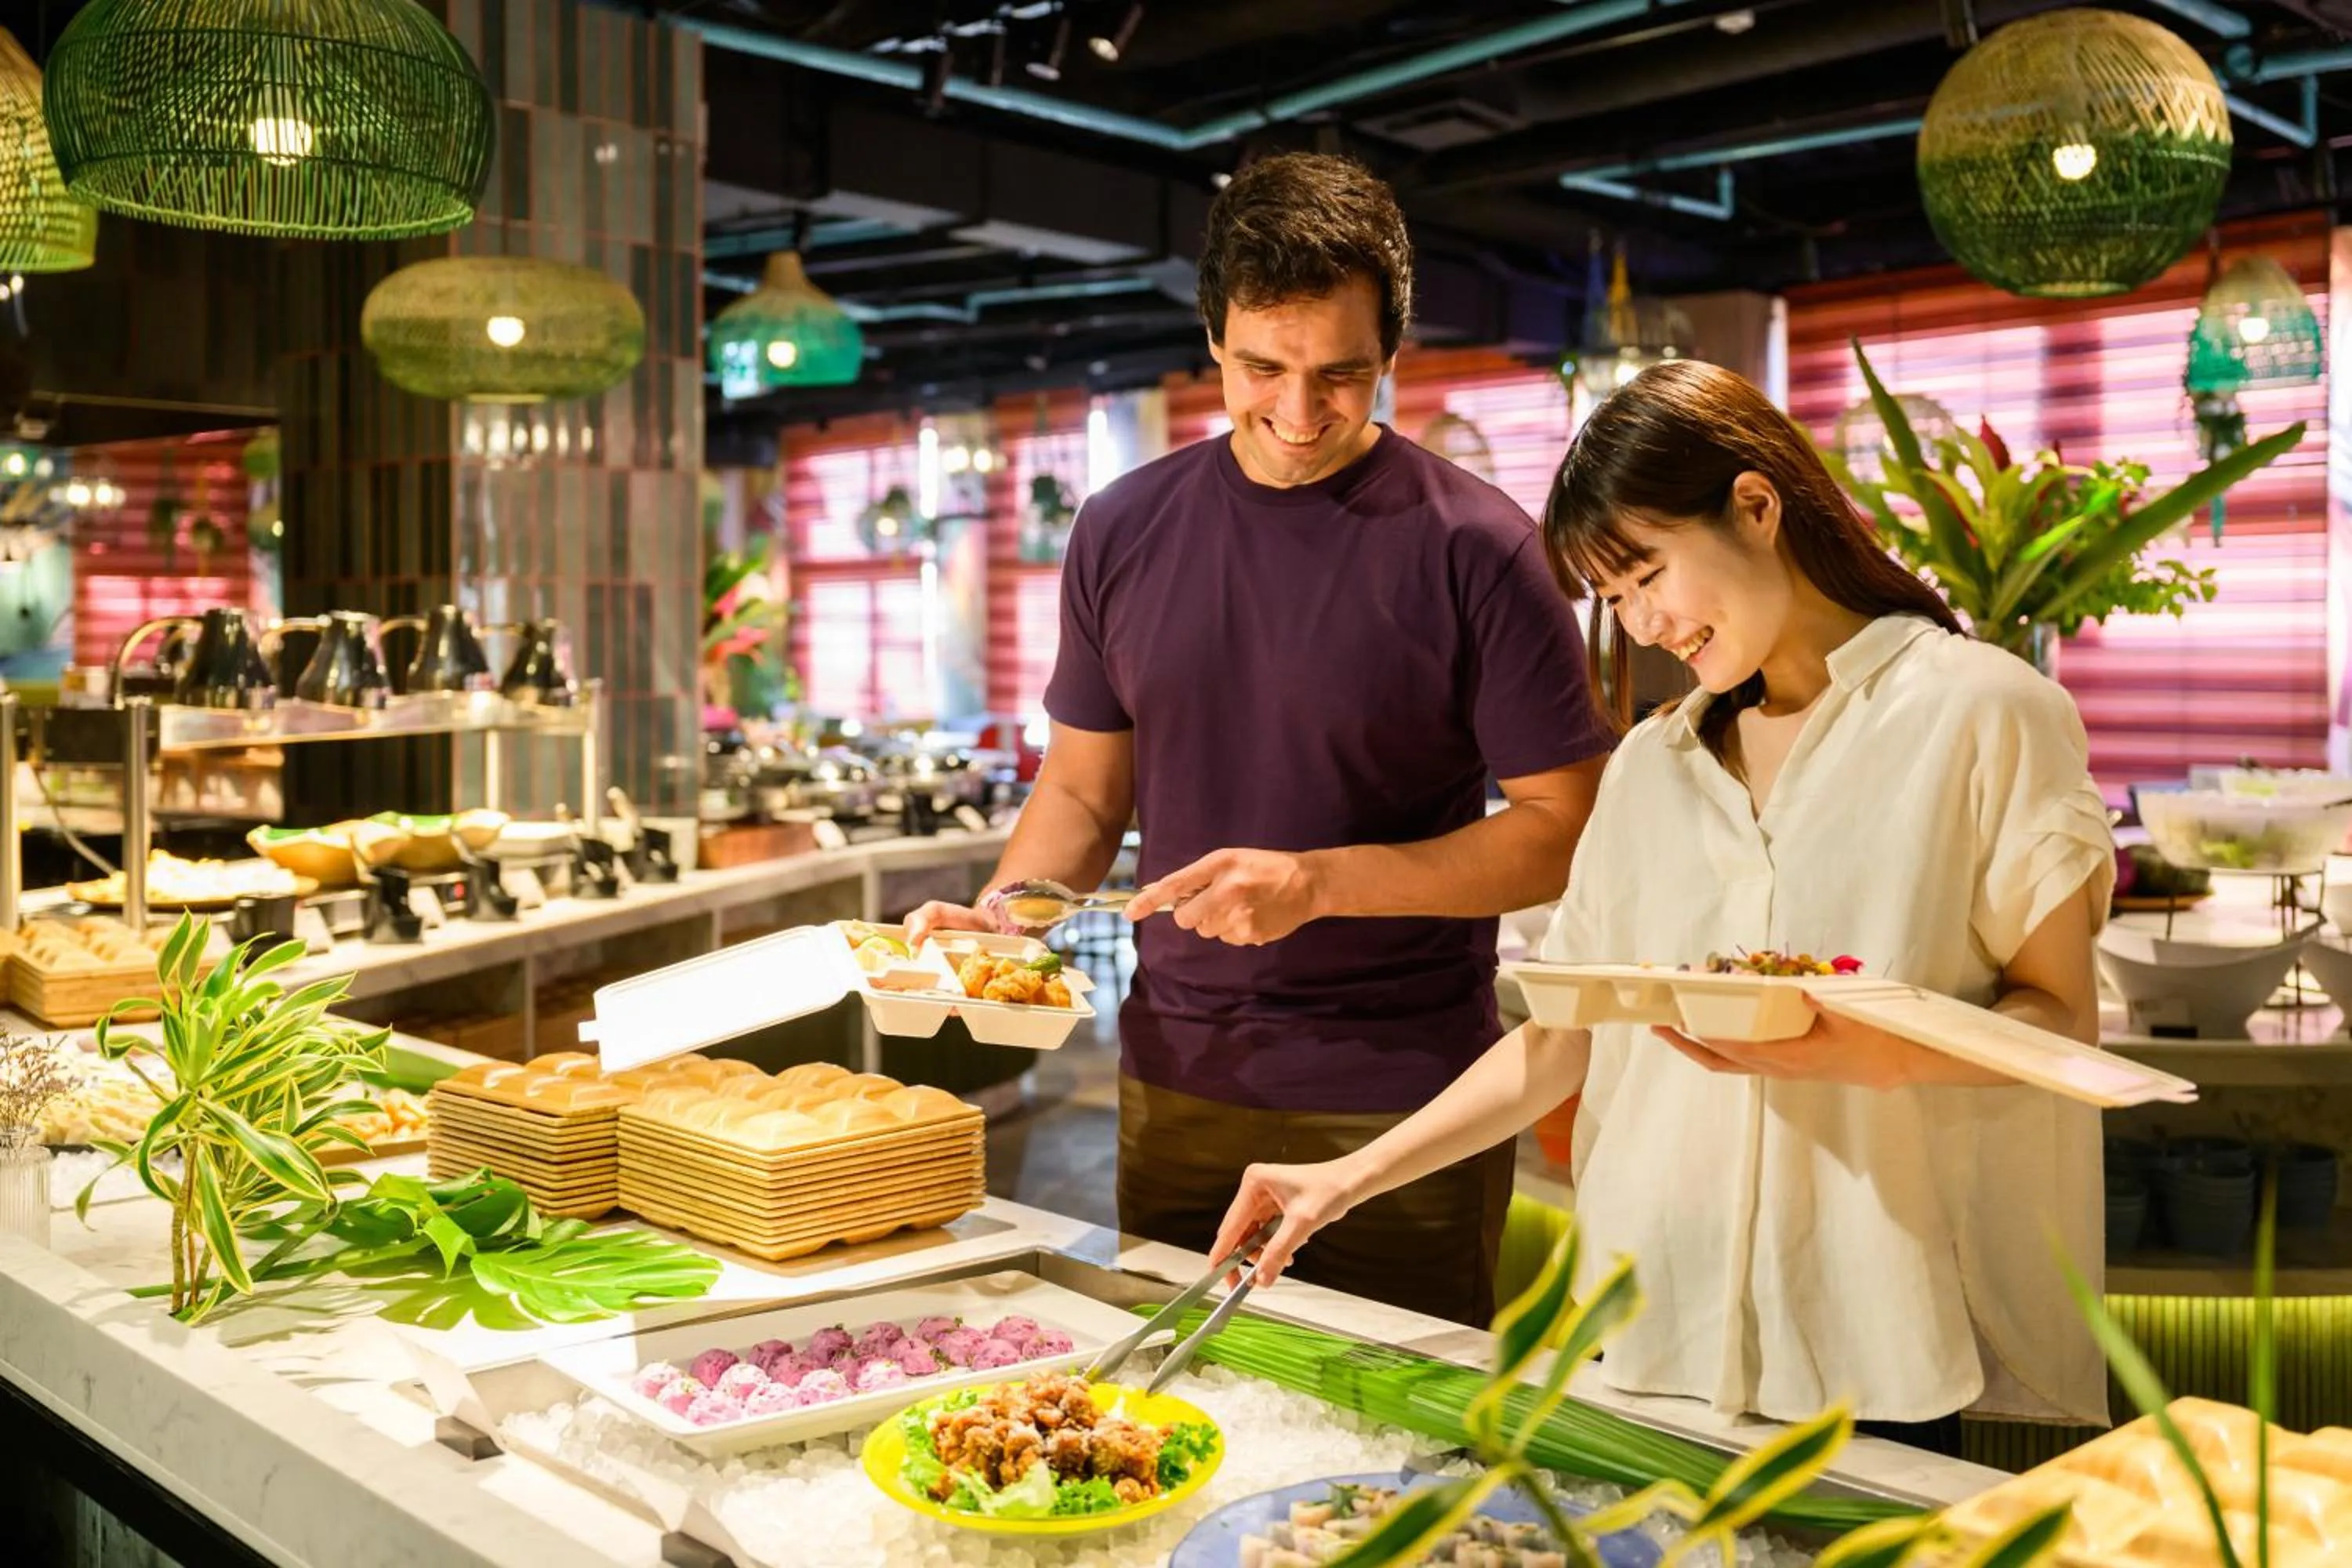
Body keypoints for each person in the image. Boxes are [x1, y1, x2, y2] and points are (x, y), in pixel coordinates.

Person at [1212, 360, 2114, 1451]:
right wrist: (1346, 1180)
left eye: (1649, 575)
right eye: (1615, 597)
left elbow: (2063, 1021)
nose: (1643, 625)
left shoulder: (1986, 714)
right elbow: (1564, 1039)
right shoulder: (1652, 765)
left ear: (1755, 504)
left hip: (1867, 1336)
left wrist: (1879, 1051)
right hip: (1642, 1325)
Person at [907, 153, 1615, 1327]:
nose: (1297, 413)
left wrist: (1318, 884)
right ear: (1212, 342)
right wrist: (1008, 921)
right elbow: (1085, 795)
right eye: (1260, 369)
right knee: (1170, 1430)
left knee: (1393, 1451)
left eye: (1342, 375)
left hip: (1402, 1099)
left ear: (1394, 355)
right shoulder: (1122, 530)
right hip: (1178, 1081)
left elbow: (1567, 831)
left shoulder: (1480, 548)